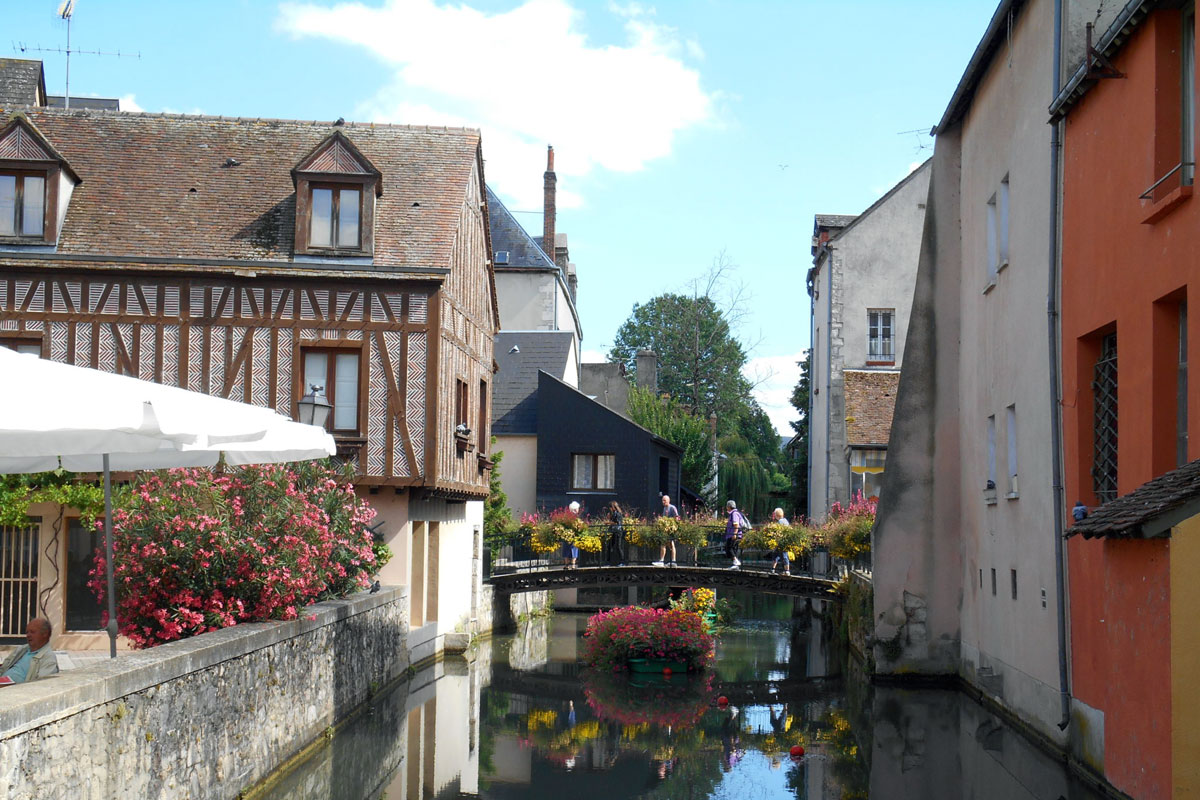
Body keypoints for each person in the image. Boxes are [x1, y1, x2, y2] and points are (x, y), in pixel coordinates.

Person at [0, 618, 58, 684]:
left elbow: (41, 685)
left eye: (32, 632)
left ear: (45, 634)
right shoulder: (22, 649)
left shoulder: (48, 658)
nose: (28, 635)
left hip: (15, 691)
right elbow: (3, 668)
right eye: (27, 632)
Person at [652, 494, 680, 567]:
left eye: (664, 500)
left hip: (670, 529)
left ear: (668, 500)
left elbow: (677, 518)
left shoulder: (672, 508)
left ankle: (670, 561)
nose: (663, 502)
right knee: (665, 544)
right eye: (662, 500)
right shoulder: (665, 509)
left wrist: (672, 526)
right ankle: (665, 561)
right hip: (666, 530)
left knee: (670, 544)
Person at [724, 500, 746, 569]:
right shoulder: (733, 513)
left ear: (729, 506)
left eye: (727, 506)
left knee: (729, 548)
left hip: (733, 534)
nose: (726, 508)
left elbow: (736, 524)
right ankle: (735, 565)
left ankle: (736, 562)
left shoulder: (734, 514)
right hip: (732, 534)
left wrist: (734, 534)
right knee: (733, 549)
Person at [769, 507, 791, 575]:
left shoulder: (780, 522)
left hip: (781, 542)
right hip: (783, 541)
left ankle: (786, 571)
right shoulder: (786, 521)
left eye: (775, 514)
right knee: (778, 555)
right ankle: (783, 570)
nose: (774, 516)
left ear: (777, 515)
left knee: (782, 555)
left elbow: (778, 532)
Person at [562, 501, 582, 569]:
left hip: (566, 535)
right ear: (575, 509)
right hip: (573, 535)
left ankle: (566, 564)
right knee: (574, 549)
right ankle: (573, 565)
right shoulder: (575, 516)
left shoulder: (566, 516)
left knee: (566, 549)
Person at [605, 501, 626, 566]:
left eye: (610, 507)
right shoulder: (614, 513)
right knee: (610, 546)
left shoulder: (618, 514)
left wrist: (608, 523)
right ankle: (609, 561)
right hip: (614, 531)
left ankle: (622, 561)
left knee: (618, 546)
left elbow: (617, 523)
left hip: (618, 531)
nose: (610, 509)